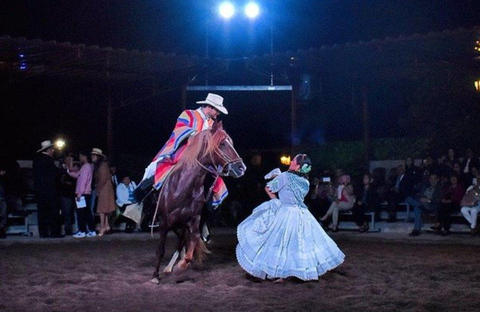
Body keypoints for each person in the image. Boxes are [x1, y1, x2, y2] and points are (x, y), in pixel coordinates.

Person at [236, 154, 345, 282]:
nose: (291, 161)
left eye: (293, 160)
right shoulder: (305, 181)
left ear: (298, 165)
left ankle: (281, 273)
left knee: (281, 243)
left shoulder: (285, 176)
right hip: (301, 213)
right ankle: (297, 271)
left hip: (286, 212)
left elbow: (269, 188)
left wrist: (276, 199)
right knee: (299, 244)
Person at [137, 93, 229, 208]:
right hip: (183, 150)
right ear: (210, 107)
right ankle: (143, 198)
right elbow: (180, 130)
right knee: (156, 168)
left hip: (201, 157)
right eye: (217, 110)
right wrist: (197, 135)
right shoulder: (189, 114)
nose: (218, 113)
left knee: (214, 175)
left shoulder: (211, 123)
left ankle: (206, 210)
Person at [32, 140, 64, 238]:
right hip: (50, 191)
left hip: (40, 191)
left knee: (42, 212)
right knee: (53, 212)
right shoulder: (48, 160)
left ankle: (43, 233)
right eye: (52, 149)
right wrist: (65, 171)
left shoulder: (37, 160)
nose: (53, 151)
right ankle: (54, 232)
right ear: (49, 150)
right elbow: (54, 173)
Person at [66, 151, 96, 238]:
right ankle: (91, 230)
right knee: (86, 213)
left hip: (83, 194)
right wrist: (68, 171)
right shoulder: (87, 167)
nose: (79, 158)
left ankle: (82, 231)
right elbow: (77, 175)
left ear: (84, 156)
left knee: (81, 213)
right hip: (85, 193)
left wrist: (79, 194)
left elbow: (83, 181)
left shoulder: (86, 167)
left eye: (80, 156)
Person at [91, 148, 116, 236]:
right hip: (105, 188)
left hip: (104, 189)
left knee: (102, 209)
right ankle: (106, 225)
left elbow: (102, 178)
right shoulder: (101, 165)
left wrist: (98, 188)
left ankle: (103, 226)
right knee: (104, 208)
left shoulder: (102, 165)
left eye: (94, 155)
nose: (92, 157)